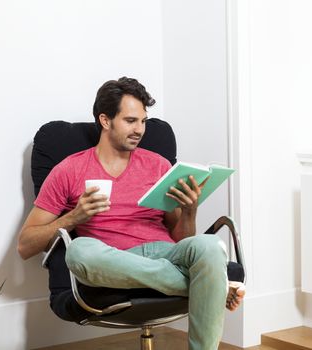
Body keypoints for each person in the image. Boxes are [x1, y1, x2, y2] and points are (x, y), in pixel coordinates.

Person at [17, 77, 245, 350]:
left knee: (210, 246)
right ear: (105, 120)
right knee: (79, 251)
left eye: (144, 121)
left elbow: (182, 239)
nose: (140, 130)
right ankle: (213, 286)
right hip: (112, 259)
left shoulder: (159, 165)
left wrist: (189, 211)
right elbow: (25, 245)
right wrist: (74, 217)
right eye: (130, 121)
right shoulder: (69, 170)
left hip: (164, 251)